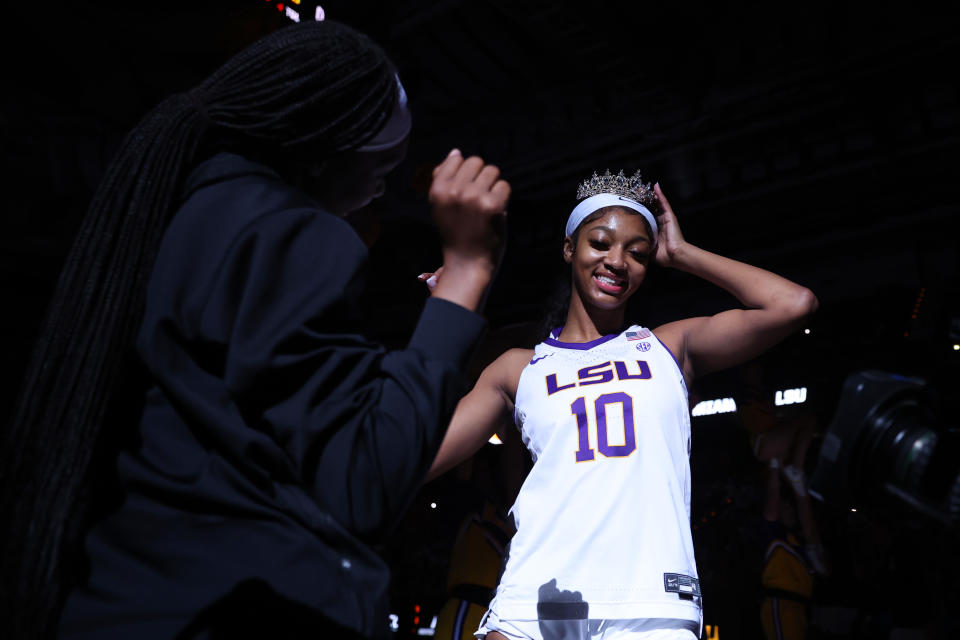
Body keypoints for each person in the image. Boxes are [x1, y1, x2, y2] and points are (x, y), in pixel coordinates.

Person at [0, 21, 509, 640]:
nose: (384, 187)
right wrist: (465, 273)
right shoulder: (295, 234)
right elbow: (362, 483)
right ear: (329, 149)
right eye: (383, 166)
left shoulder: (166, 216)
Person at [424, 169, 818, 639]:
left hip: (652, 602)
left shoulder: (669, 347)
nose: (617, 262)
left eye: (638, 253)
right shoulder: (518, 368)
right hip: (539, 596)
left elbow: (793, 304)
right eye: (600, 243)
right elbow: (415, 458)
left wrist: (684, 254)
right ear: (569, 247)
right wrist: (443, 324)